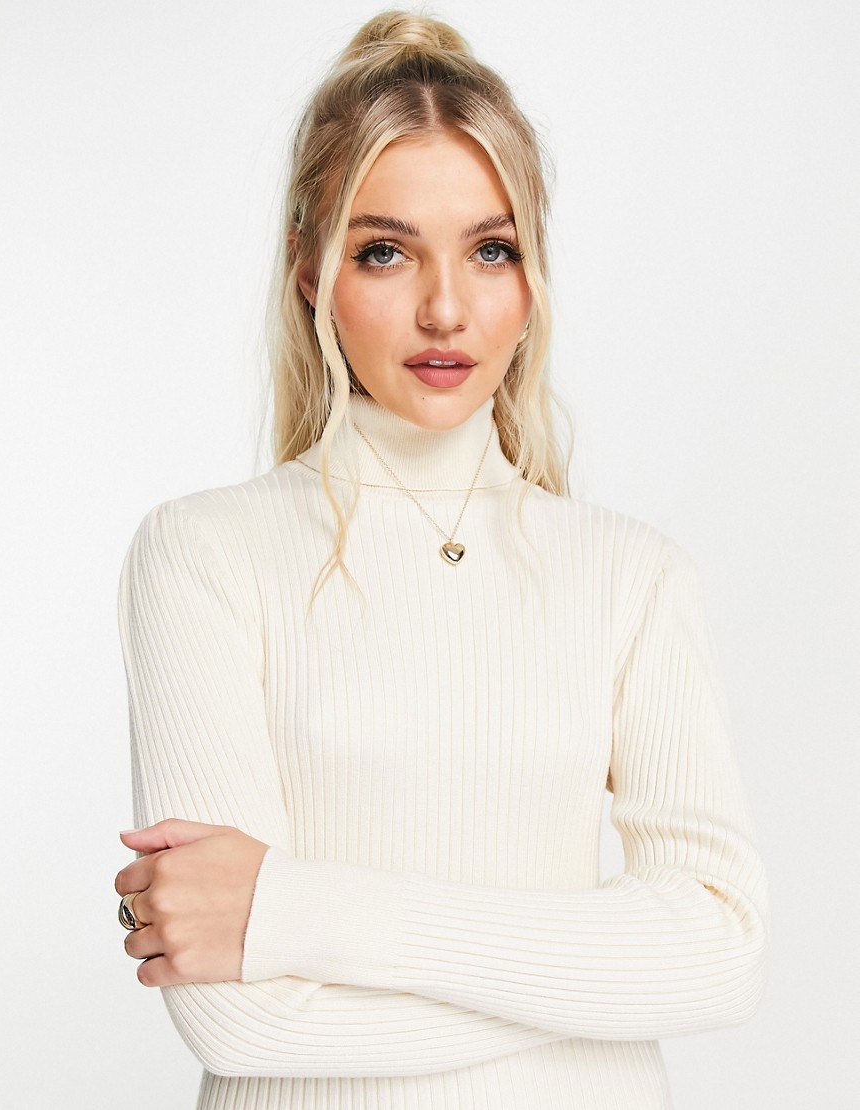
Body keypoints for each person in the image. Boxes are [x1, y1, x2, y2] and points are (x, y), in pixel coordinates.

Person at [113, 10, 770, 1109]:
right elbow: (239, 1019)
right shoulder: (202, 554)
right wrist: (592, 981)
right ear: (309, 270)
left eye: (489, 249)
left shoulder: (630, 575)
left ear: (531, 273)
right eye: (384, 251)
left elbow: (719, 954)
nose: (446, 309)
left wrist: (291, 910)